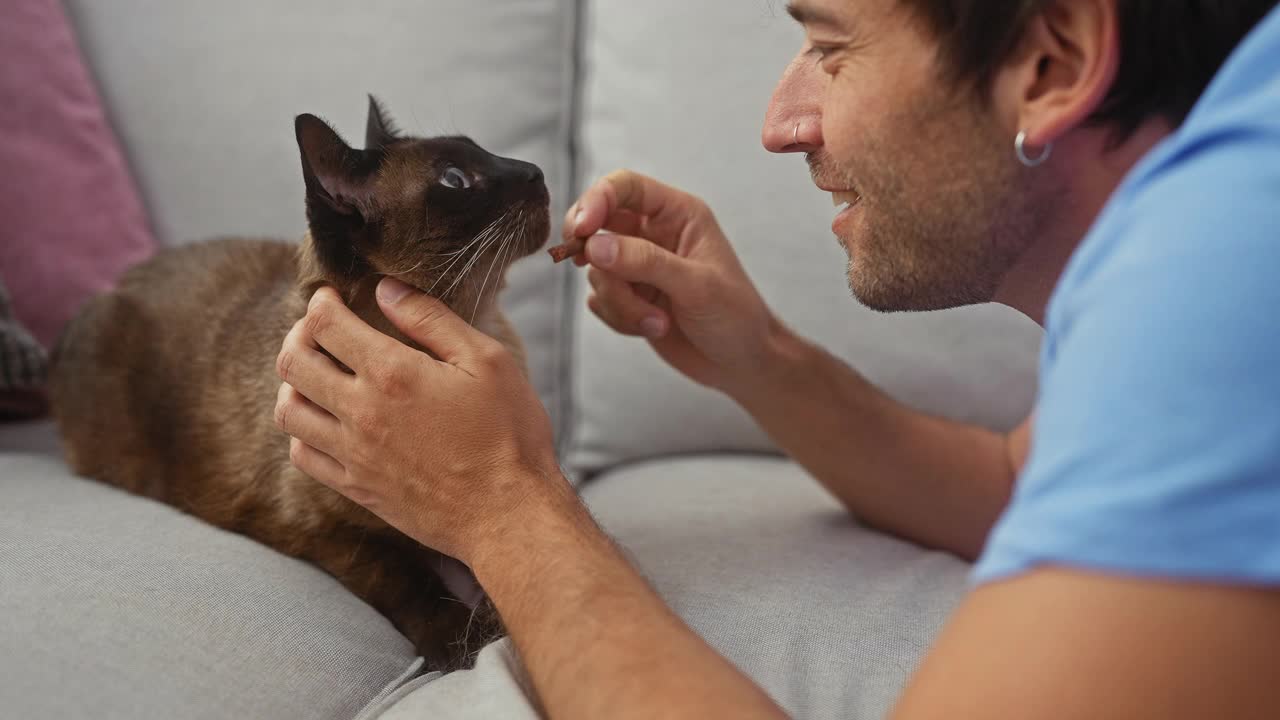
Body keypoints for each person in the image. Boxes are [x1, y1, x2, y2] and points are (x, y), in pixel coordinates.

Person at [272, 0, 1280, 717]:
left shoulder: (1229, 267)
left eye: (829, 50)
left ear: (1053, 61)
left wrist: (500, 502)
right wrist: (753, 356)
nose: (778, 124)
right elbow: (1020, 484)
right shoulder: (1217, 174)